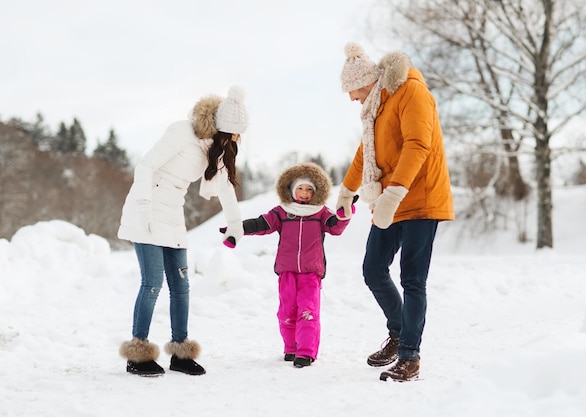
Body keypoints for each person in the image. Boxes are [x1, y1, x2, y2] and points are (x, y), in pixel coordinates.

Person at [335, 42, 455, 382]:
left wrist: (395, 193)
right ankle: (399, 332)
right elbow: (365, 151)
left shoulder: (411, 92)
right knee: (373, 269)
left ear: (368, 81)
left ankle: (410, 357)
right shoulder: (378, 107)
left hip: (420, 198)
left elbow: (419, 144)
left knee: (412, 279)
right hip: (391, 200)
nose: (351, 98)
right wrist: (346, 190)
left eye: (353, 89)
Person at [117, 85, 249, 376]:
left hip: (174, 215)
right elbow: (146, 164)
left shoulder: (214, 149)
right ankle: (137, 354)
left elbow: (226, 187)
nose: (239, 138)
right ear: (224, 127)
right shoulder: (182, 132)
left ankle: (180, 353)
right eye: (236, 132)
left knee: (181, 286)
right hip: (148, 209)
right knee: (152, 283)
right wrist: (142, 204)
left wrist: (236, 224)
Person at [221, 162, 355, 368]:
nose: (304, 193)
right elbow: (261, 224)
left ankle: (306, 352)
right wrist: (237, 228)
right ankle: (291, 348)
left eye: (309, 189)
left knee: (308, 311)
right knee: (287, 311)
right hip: (287, 271)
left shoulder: (320, 213)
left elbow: (336, 227)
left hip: (311, 272)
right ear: (292, 189)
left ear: (316, 192)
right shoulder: (282, 212)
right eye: (300, 188)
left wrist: (346, 211)